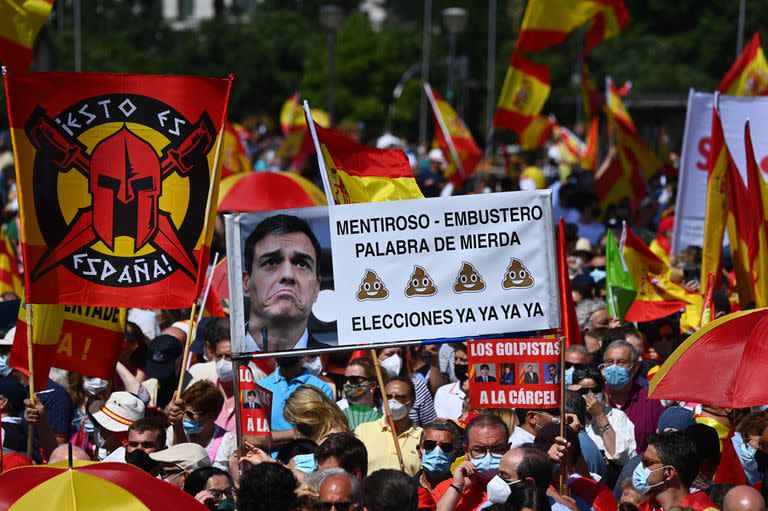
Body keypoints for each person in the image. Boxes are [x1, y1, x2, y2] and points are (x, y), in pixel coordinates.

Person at [242, 214, 328, 352]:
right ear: (246, 283)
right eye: (272, 262)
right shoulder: (217, 362)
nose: (288, 275)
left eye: (302, 264)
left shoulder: (339, 369)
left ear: (317, 288)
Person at [434, 414, 510, 511]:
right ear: (466, 451)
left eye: (497, 449)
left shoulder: (521, 488)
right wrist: (458, 487)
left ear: (508, 449)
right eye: (479, 450)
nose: (488, 457)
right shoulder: (447, 489)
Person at [257, 355, 333, 448]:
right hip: (269, 460)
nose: (285, 350)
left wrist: (271, 438)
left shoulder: (322, 387)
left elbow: (323, 433)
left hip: (309, 459)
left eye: (291, 345)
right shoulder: (259, 387)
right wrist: (301, 433)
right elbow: (253, 438)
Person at [601, 340, 664, 453]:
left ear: (634, 367)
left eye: (621, 362)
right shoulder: (596, 399)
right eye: (610, 362)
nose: (614, 367)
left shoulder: (650, 400)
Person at [632, 431, 718, 511]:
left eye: (646, 461)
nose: (640, 466)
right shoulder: (646, 507)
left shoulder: (703, 509)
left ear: (668, 473)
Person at [569, 365, 636, 467]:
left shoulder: (617, 416)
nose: (590, 395)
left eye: (595, 390)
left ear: (602, 388)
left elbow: (620, 457)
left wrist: (599, 415)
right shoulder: (567, 415)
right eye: (583, 391)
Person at [355, 377, 423, 476]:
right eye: (388, 397)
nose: (392, 401)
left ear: (412, 402)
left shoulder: (424, 437)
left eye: (400, 397)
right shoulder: (363, 431)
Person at [166, 380, 235, 471]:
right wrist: (177, 427)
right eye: (183, 411)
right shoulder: (173, 431)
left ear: (211, 415)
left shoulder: (229, 442)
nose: (184, 417)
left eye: (190, 414)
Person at [378, 347, 438, 427]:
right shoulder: (371, 387)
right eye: (390, 354)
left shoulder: (417, 386)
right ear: (376, 358)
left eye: (399, 354)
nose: (396, 359)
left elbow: (430, 425)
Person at [283, 384, 350, 444]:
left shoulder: (331, 442)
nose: (297, 428)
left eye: (297, 422)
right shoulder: (332, 434)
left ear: (311, 412)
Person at [336, 357, 383, 430]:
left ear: (372, 385)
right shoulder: (336, 410)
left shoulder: (385, 410)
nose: (347, 383)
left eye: (354, 380)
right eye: (345, 379)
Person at [417, 420, 462, 495]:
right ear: (419, 451)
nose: (437, 452)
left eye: (446, 447)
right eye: (429, 445)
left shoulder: (462, 492)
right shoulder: (404, 489)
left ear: (455, 455)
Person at [434, 344, 469, 421]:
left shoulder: (487, 393)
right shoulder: (443, 392)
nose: (457, 363)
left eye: (463, 360)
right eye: (455, 359)